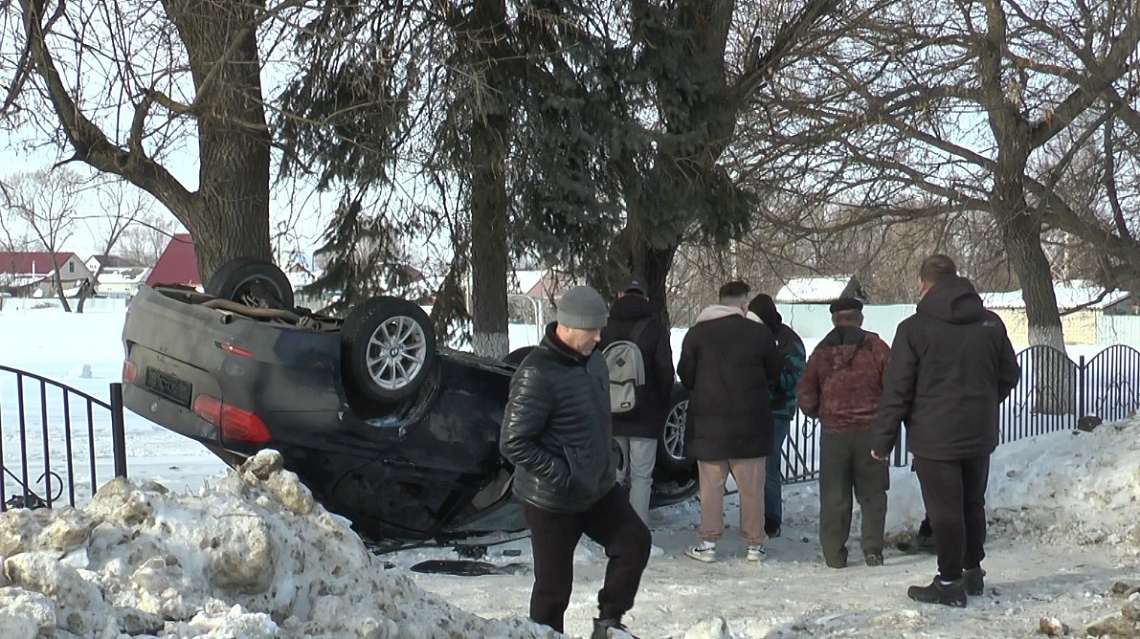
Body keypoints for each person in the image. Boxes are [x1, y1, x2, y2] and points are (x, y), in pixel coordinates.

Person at [500, 285, 652, 638]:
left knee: (634, 542)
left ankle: (609, 624)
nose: (599, 338)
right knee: (553, 589)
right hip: (551, 499)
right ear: (568, 326)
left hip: (597, 487)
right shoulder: (536, 373)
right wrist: (564, 474)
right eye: (593, 330)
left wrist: (608, 455)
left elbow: (599, 417)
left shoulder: (594, 361)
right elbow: (514, 442)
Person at [871, 255, 1020, 607]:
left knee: (945, 509)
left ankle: (950, 581)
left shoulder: (914, 328)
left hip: (934, 436)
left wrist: (882, 439)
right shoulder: (991, 323)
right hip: (977, 432)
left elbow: (898, 388)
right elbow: (1009, 374)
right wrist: (983, 402)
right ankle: (972, 571)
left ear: (924, 285)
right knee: (972, 502)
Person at [678, 281, 784, 563]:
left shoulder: (696, 334)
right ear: (743, 304)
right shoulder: (758, 333)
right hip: (751, 426)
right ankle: (754, 545)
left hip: (709, 428)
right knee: (752, 490)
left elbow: (686, 376)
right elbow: (775, 371)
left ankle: (708, 544)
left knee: (711, 489)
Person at [796, 297, 891, 568]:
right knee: (873, 494)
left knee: (834, 496)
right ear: (860, 318)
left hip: (834, 434)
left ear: (834, 319)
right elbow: (895, 382)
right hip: (871, 431)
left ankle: (834, 555)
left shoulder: (821, 352)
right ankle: (873, 550)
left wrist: (821, 412)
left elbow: (805, 392)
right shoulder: (876, 348)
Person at [600, 277, 675, 530]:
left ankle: (612, 527)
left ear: (620, 295)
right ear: (645, 298)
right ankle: (636, 530)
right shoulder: (655, 328)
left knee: (614, 474)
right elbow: (665, 372)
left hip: (611, 414)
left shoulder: (603, 327)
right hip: (645, 416)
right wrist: (659, 406)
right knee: (642, 477)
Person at [747, 293, 806, 539]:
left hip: (778, 411)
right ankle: (756, 514)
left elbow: (792, 378)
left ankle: (771, 518)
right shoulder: (753, 336)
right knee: (752, 466)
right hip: (754, 410)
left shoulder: (788, 341)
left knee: (769, 465)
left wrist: (765, 376)